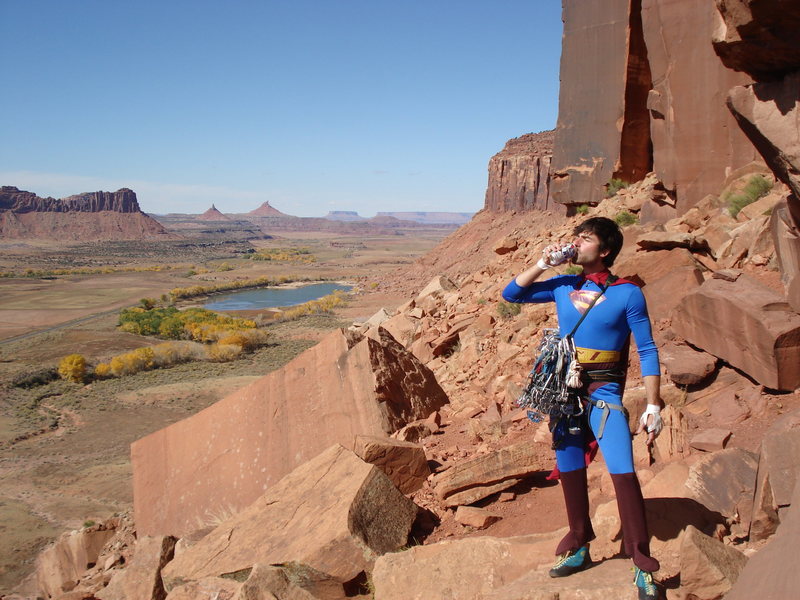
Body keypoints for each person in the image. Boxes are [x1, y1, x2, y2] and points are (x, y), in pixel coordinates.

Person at [502, 217, 663, 600]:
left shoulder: (628, 294)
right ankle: (579, 545)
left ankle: (642, 563)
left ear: (604, 250)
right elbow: (512, 294)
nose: (575, 243)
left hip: (604, 393)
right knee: (571, 472)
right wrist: (545, 263)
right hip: (564, 393)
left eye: (584, 239)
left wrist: (654, 404)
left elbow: (647, 348)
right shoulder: (564, 284)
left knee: (623, 473)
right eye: (575, 237)